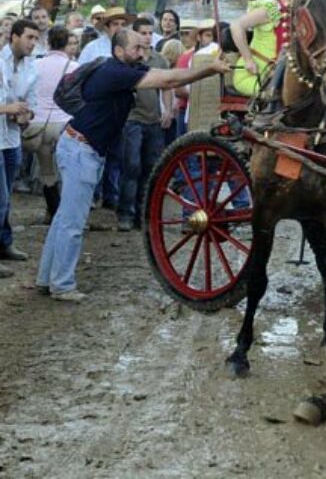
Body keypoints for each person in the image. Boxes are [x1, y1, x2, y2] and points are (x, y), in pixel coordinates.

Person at [35, 28, 231, 302]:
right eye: (136, 48)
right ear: (119, 51)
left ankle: (47, 279)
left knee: (64, 218)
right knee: (72, 222)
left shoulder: (116, 69)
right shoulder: (117, 72)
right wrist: (208, 70)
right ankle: (62, 285)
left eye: (144, 47)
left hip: (78, 146)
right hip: (81, 149)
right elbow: (169, 79)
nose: (142, 52)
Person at [116, 18, 173, 232]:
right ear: (136, 34)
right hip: (132, 118)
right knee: (131, 166)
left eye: (150, 33)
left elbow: (167, 86)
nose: (148, 37)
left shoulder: (159, 59)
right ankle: (125, 213)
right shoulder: (131, 59)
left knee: (152, 167)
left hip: (153, 119)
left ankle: (145, 214)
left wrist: (168, 110)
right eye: (144, 33)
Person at [22, 25, 74, 224]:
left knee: (47, 172)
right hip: (63, 123)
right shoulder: (73, 67)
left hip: (38, 124)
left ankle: (53, 211)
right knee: (68, 172)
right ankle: (64, 212)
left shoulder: (35, 65)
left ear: (47, 42)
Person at [0, 19, 37, 267]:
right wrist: (7, 108)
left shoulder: (31, 66)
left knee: (7, 196)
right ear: (14, 37)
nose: (33, 44)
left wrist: (24, 115)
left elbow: (30, 102)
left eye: (36, 39)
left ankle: (4, 243)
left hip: (11, 136)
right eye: (29, 38)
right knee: (0, 198)